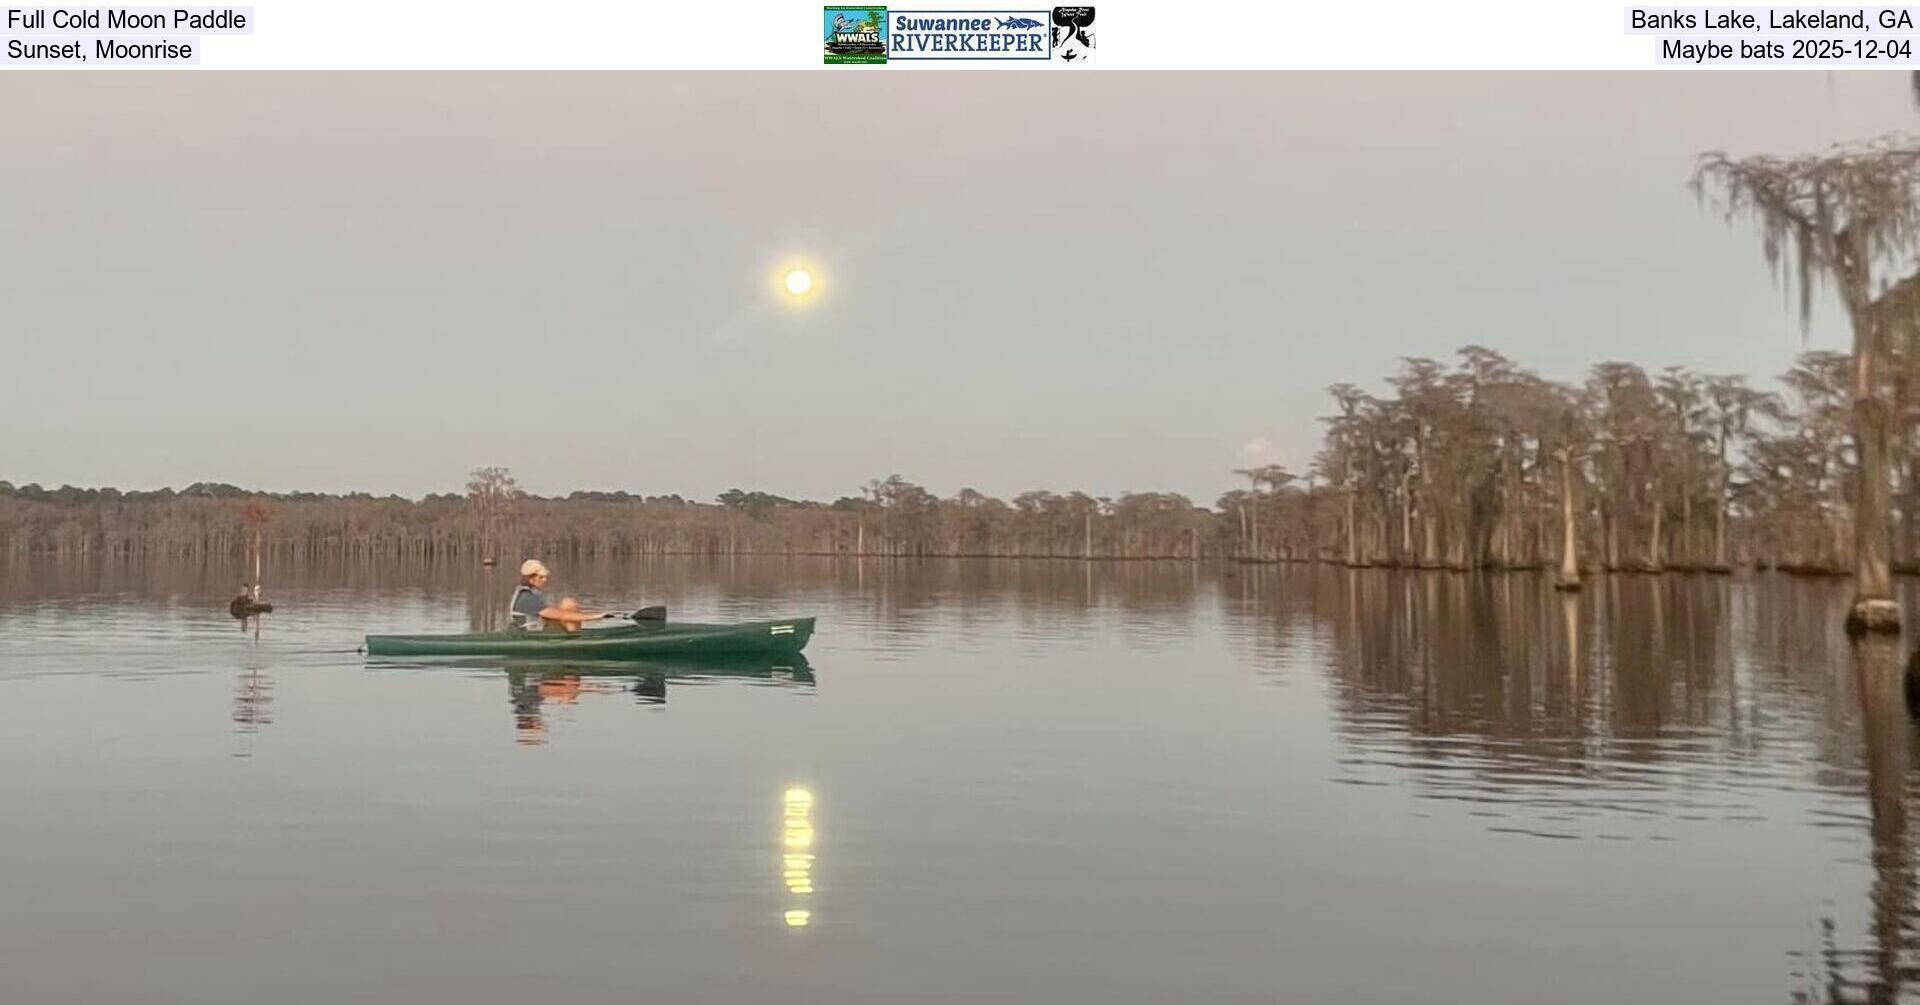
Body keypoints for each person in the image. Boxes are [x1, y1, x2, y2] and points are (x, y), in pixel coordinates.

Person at [509, 559, 605, 632]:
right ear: (531, 579)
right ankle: (574, 642)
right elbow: (562, 616)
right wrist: (596, 616)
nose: (545, 580)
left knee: (568, 604)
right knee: (568, 604)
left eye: (545, 577)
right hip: (533, 636)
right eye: (541, 577)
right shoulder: (526, 598)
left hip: (540, 631)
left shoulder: (531, 594)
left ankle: (573, 636)